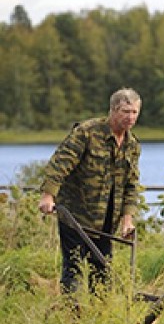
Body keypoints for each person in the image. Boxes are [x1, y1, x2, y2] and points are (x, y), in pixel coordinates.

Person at [38, 88, 142, 294]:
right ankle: (71, 314)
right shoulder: (87, 132)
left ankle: (100, 314)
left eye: (135, 112)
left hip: (106, 219)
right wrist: (48, 196)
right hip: (76, 214)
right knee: (74, 267)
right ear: (113, 110)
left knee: (103, 269)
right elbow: (61, 163)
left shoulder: (132, 145)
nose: (130, 117)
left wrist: (127, 220)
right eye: (125, 111)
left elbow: (131, 184)